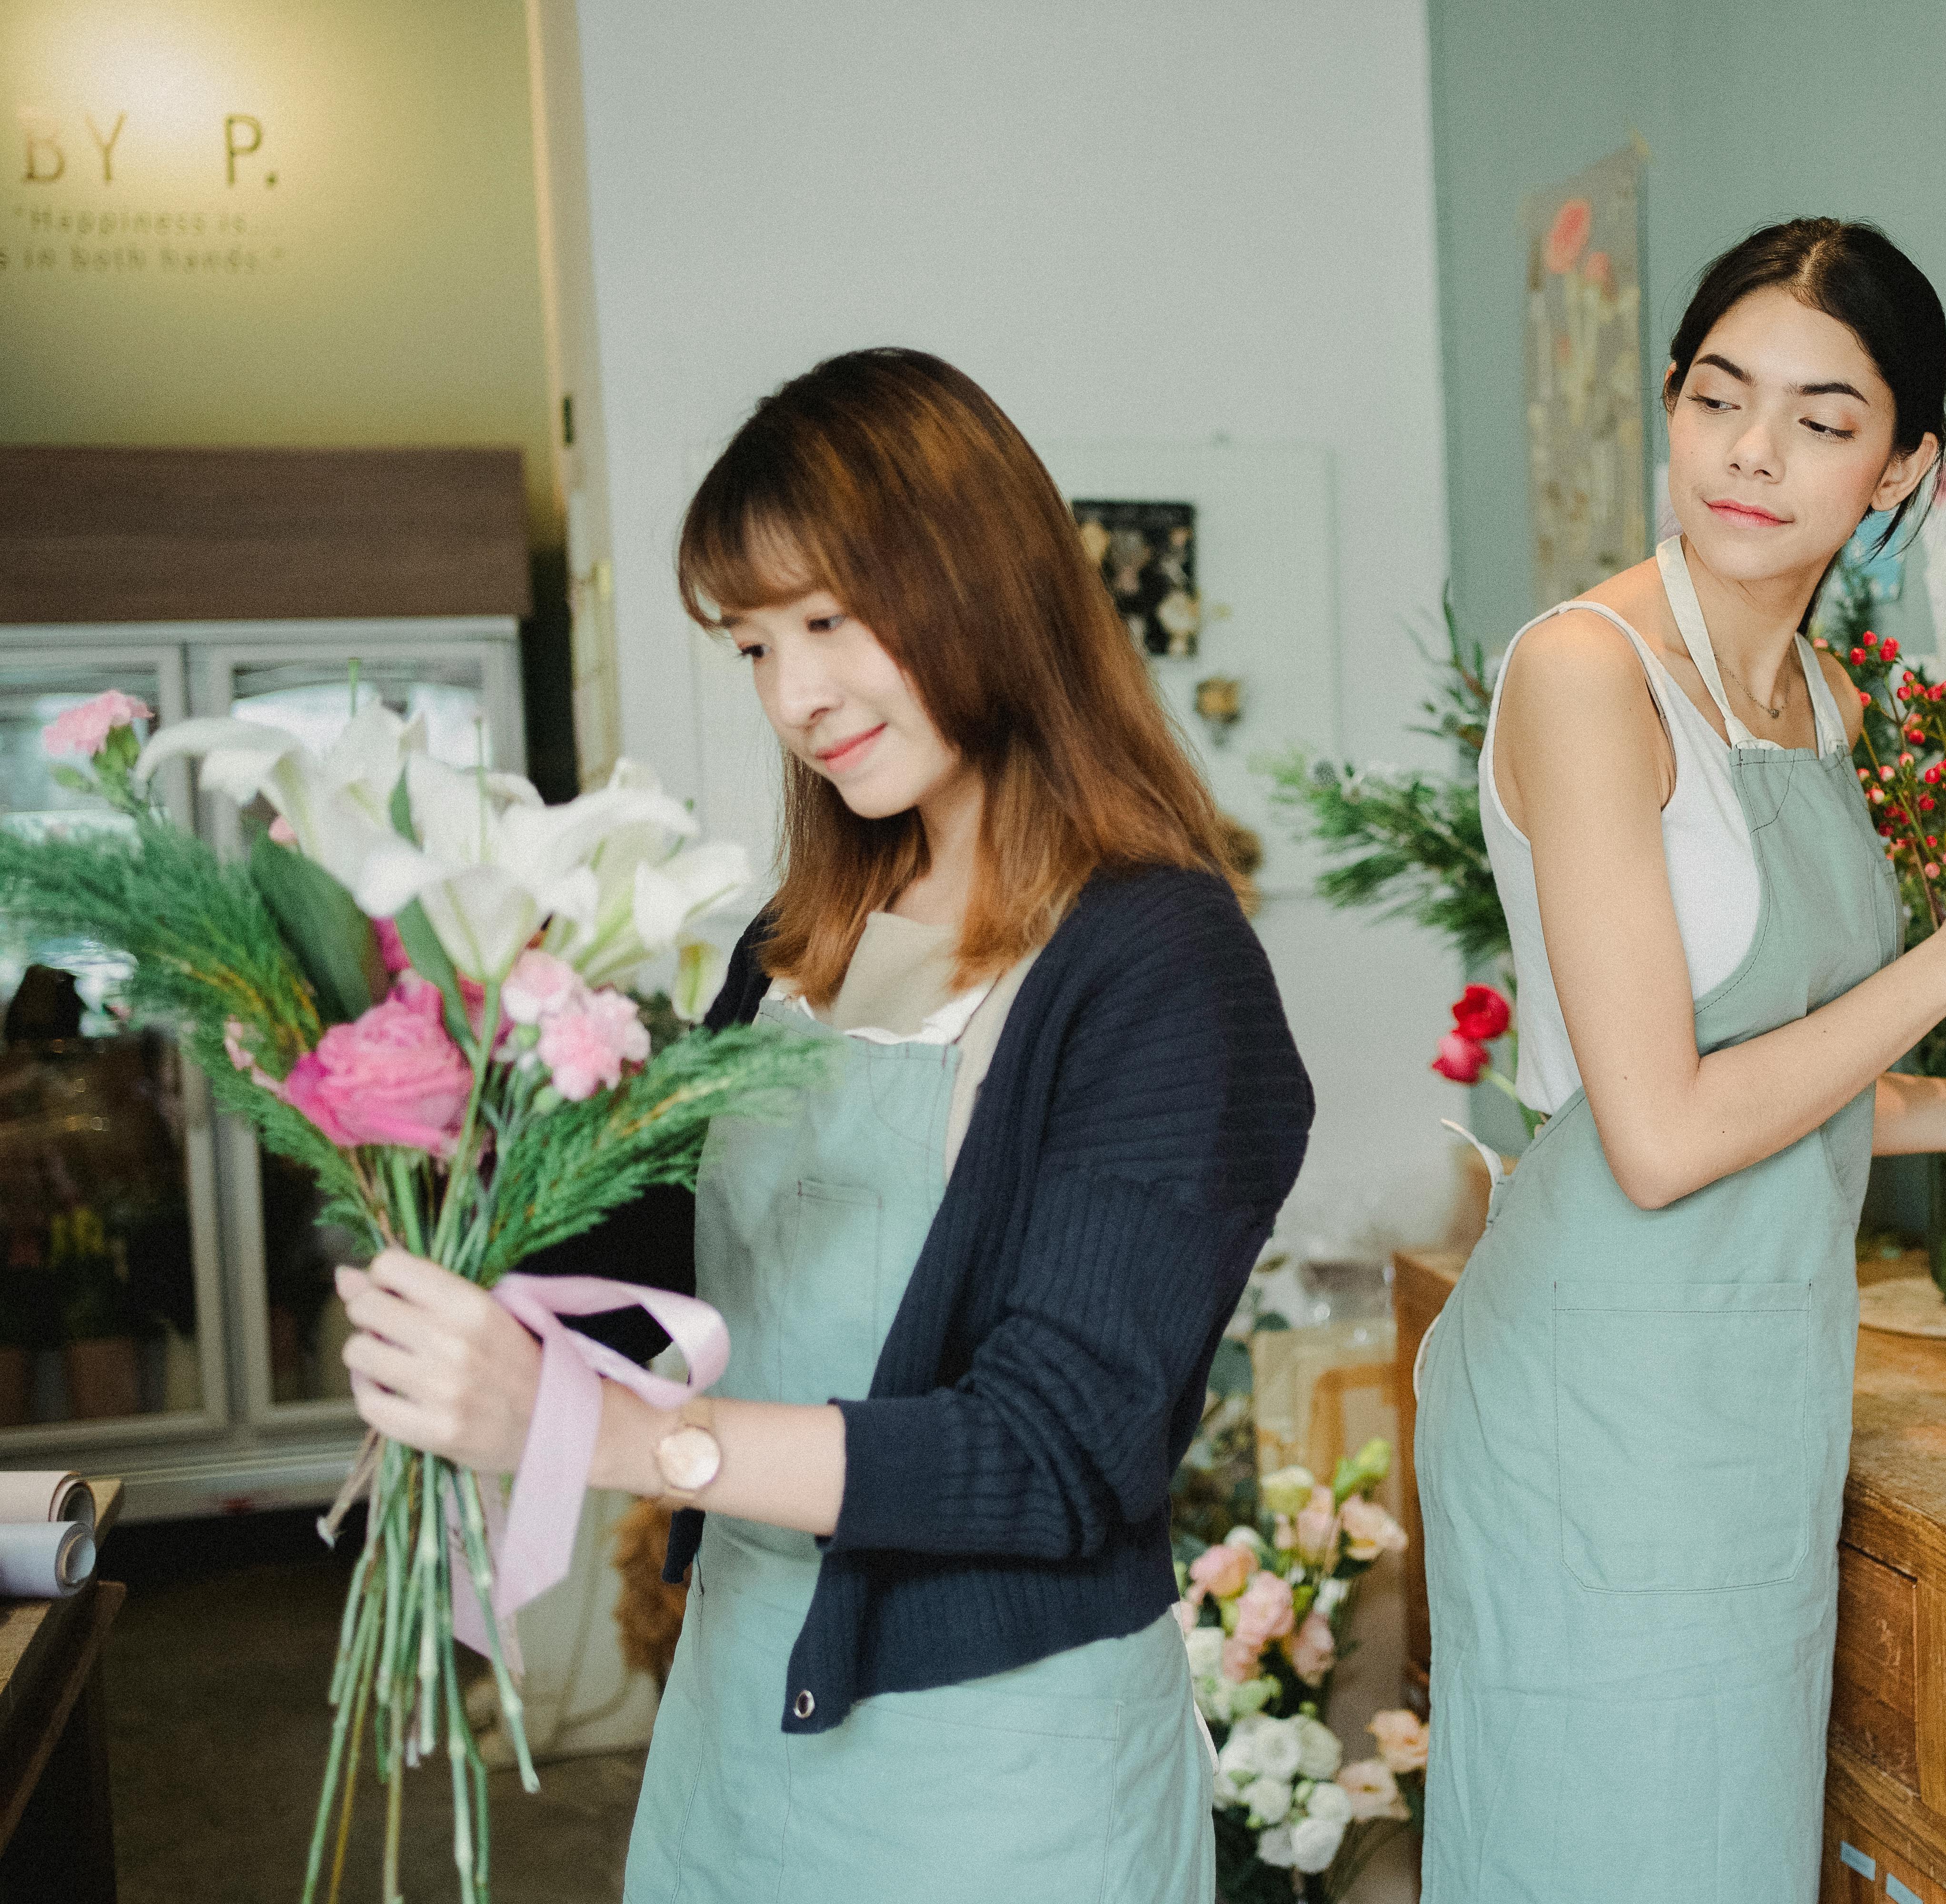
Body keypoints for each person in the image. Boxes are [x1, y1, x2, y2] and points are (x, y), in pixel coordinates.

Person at [330, 347, 1312, 1900]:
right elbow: (663, 1286)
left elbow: (1056, 1458)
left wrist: (613, 1440)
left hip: (992, 1778)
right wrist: (453, 1140)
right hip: (741, 1723)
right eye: (754, 647)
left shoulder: (1159, 967)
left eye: (830, 622)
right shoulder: (801, 938)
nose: (796, 697)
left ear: (979, 580)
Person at [1413, 219, 1946, 1902]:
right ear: (1667, 406)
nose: (1755, 453)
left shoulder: (1825, 702)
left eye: (1824, 419)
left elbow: (1802, 1085)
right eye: (1721, 397)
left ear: (1903, 470)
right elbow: (1664, 1132)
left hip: (1761, 1398)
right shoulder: (1587, 676)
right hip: (1595, 1400)